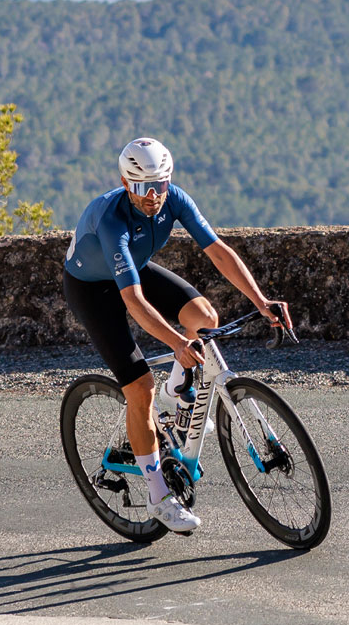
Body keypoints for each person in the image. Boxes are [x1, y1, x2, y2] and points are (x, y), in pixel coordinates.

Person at [62, 137, 292, 534]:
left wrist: (260, 300)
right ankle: (158, 497)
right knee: (139, 389)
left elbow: (217, 250)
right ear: (124, 181)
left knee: (204, 315)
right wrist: (176, 344)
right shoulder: (111, 218)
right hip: (93, 289)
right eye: (141, 187)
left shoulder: (175, 199)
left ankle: (174, 393)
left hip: (133, 270)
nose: (152, 197)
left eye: (160, 185)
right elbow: (132, 301)